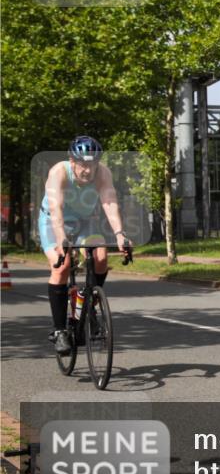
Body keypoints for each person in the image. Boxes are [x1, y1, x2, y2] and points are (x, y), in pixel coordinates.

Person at [39, 136, 129, 355]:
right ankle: (60, 331)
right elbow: (56, 209)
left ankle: (88, 306)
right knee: (61, 266)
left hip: (84, 222)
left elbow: (109, 203)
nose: (88, 170)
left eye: (92, 164)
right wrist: (61, 239)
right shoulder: (59, 172)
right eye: (83, 165)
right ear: (72, 161)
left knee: (101, 257)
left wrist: (120, 234)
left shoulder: (103, 173)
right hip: (53, 221)